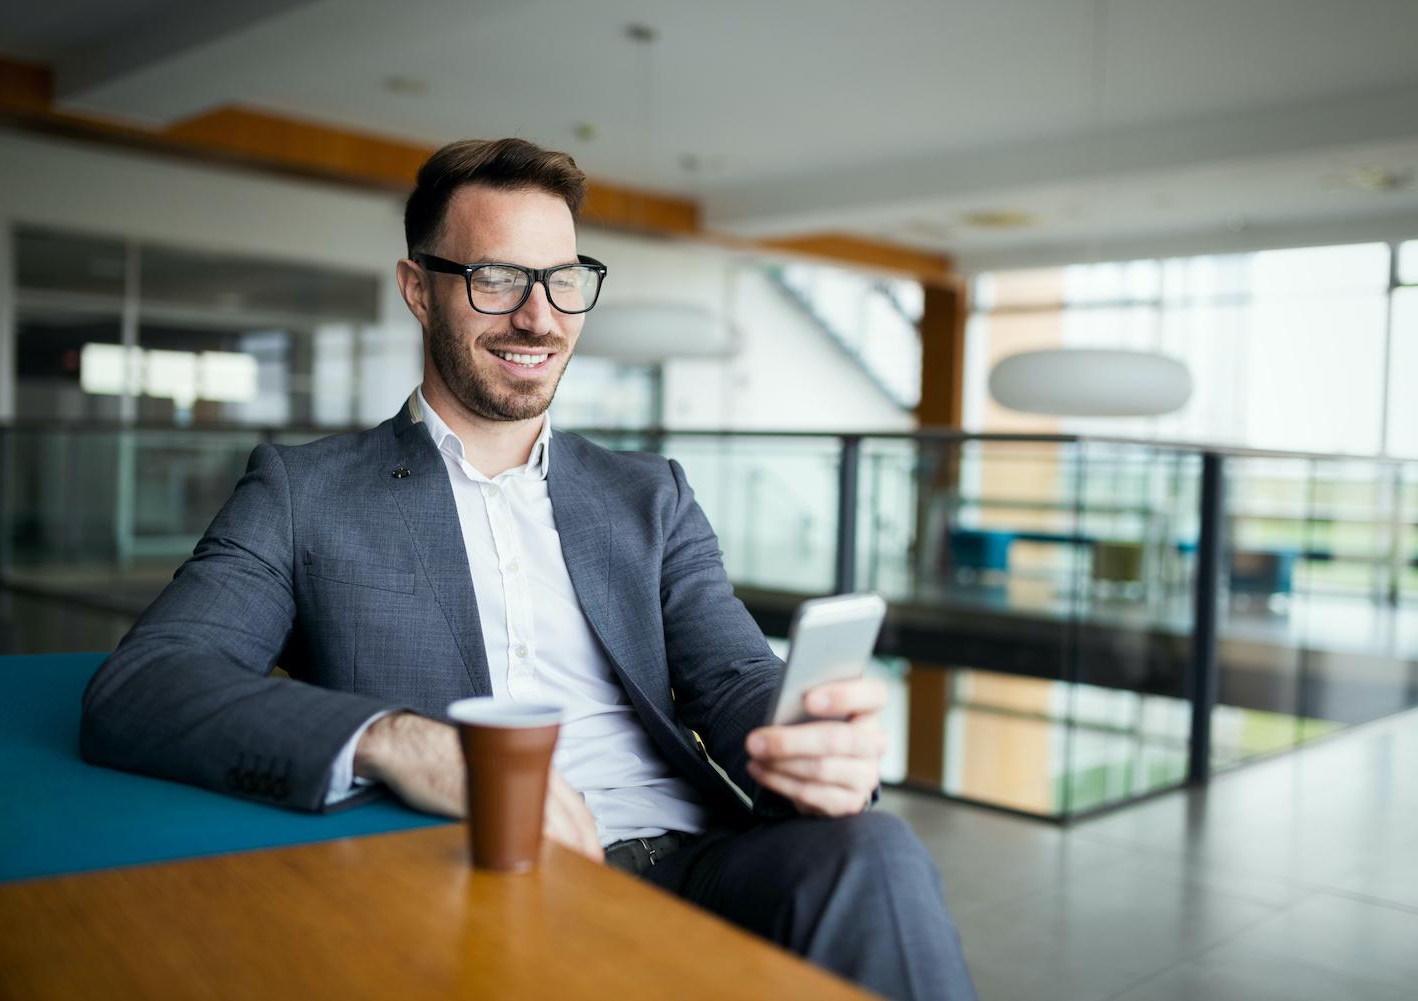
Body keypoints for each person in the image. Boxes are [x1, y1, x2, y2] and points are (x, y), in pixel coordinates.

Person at [80, 137, 976, 1001]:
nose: (539, 318)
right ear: (418, 290)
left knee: (878, 850)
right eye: (497, 278)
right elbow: (146, 683)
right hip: (479, 868)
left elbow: (732, 671)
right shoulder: (304, 490)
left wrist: (809, 735)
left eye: (562, 281)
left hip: (699, 857)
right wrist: (406, 741)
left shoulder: (647, 494)